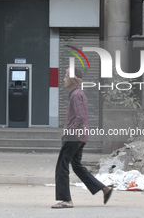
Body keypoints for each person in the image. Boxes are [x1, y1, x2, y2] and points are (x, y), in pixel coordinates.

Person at [51, 67, 113, 209]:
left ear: (73, 80)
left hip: (73, 137)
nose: (64, 79)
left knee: (62, 166)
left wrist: (69, 132)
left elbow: (81, 117)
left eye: (66, 77)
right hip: (80, 136)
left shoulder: (75, 95)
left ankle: (66, 200)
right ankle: (105, 189)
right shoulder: (78, 93)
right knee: (77, 167)